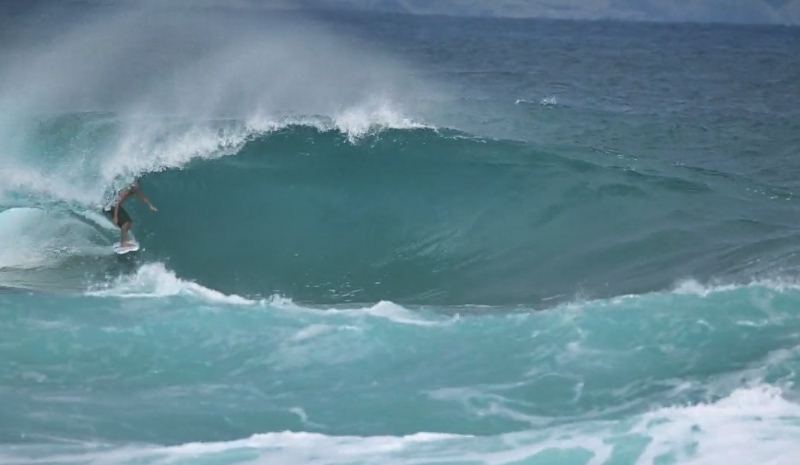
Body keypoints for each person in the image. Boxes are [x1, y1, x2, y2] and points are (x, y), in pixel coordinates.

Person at [103, 178, 157, 247]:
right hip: (111, 207)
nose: (138, 187)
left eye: (138, 185)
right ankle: (123, 242)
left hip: (112, 207)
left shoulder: (133, 190)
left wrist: (150, 205)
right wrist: (115, 217)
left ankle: (124, 240)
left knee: (129, 224)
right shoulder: (124, 191)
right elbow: (117, 202)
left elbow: (142, 196)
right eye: (136, 185)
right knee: (126, 223)